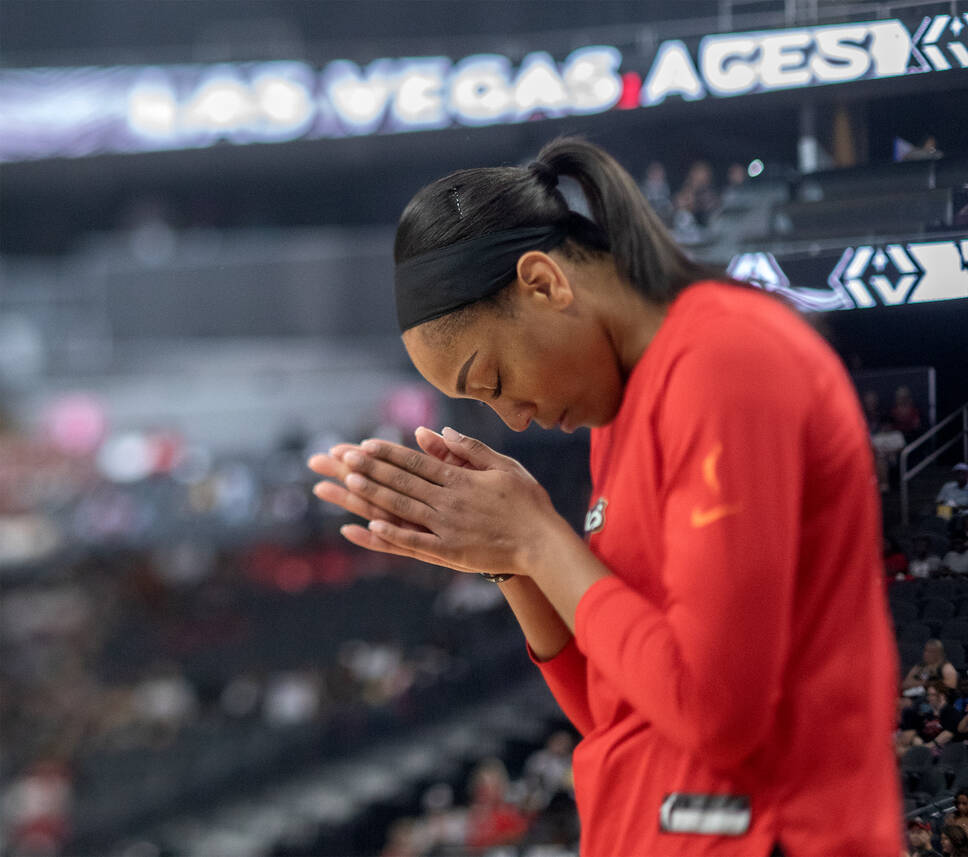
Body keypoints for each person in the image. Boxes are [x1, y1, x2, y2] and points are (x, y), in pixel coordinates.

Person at [307, 138, 900, 856]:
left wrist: (537, 539)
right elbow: (618, 709)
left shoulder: (725, 360)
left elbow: (714, 712)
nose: (515, 417)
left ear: (543, 282)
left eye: (491, 380)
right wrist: (512, 564)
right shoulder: (619, 411)